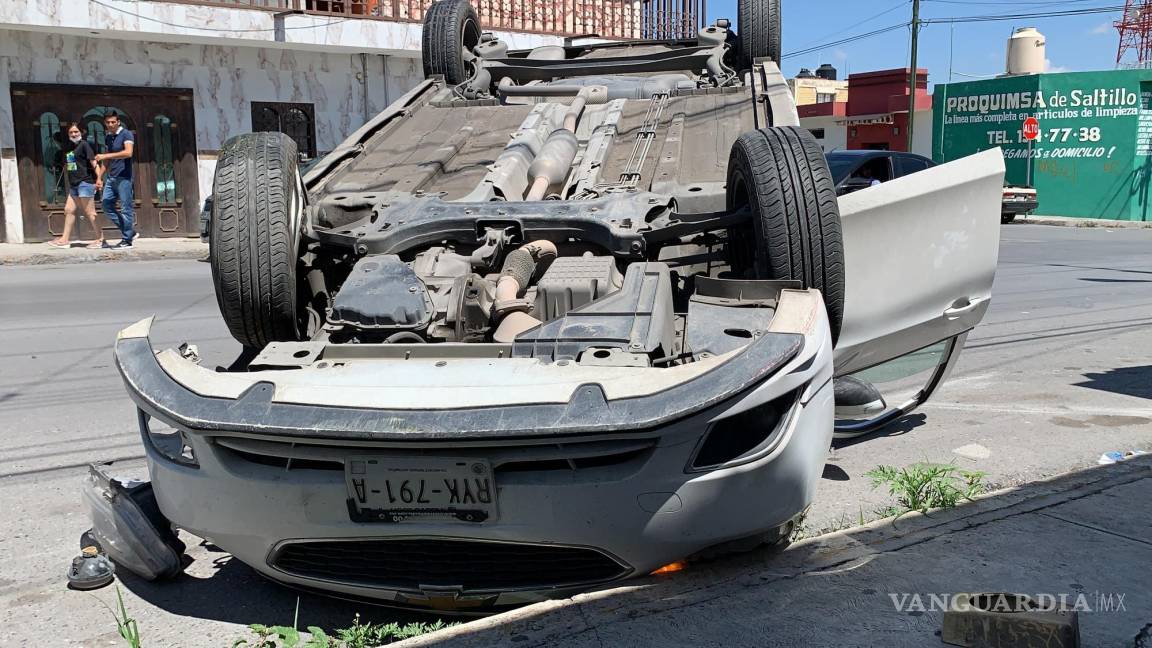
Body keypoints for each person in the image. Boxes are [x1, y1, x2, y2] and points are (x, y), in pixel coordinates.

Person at [47, 123, 105, 249]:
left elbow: (94, 162)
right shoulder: (69, 147)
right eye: (71, 133)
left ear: (81, 132)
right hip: (74, 184)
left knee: (90, 212)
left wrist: (99, 179)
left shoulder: (84, 145)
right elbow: (71, 164)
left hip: (85, 182)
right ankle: (64, 240)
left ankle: (100, 239)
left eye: (76, 132)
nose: (73, 134)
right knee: (69, 210)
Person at [95, 110, 136, 249]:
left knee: (126, 208)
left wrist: (106, 156)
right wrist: (99, 177)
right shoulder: (108, 137)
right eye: (108, 122)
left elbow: (128, 152)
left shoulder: (126, 134)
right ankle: (129, 231)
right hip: (112, 177)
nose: (110, 124)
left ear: (118, 122)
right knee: (106, 205)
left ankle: (127, 240)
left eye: (113, 122)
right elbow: (106, 161)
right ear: (105, 124)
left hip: (124, 177)